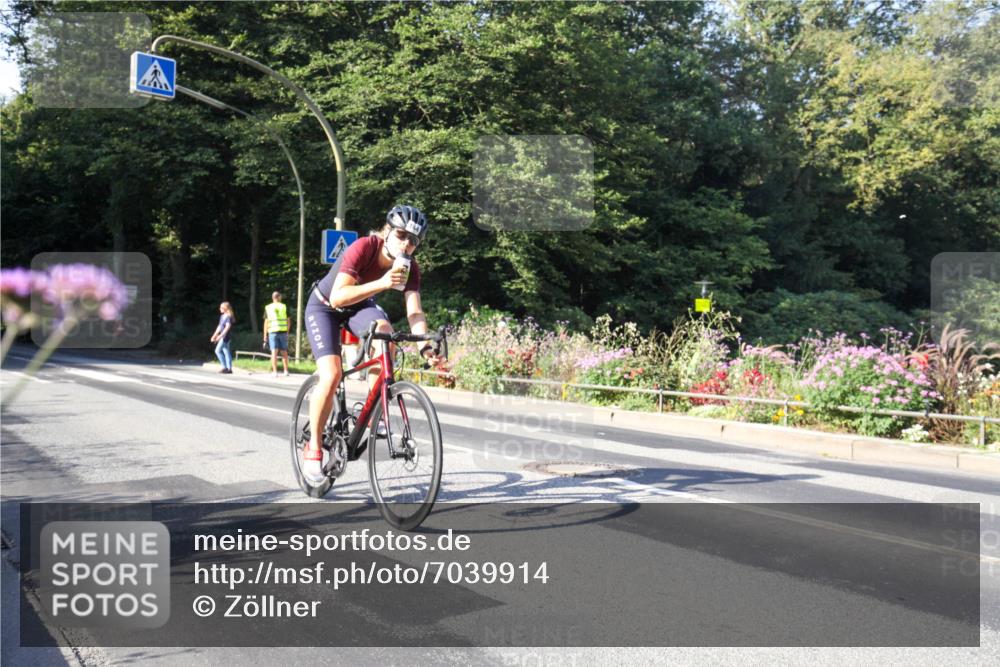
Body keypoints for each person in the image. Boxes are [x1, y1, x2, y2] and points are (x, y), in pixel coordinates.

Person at [301, 204, 444, 483]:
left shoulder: (410, 267)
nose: (406, 244)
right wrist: (382, 282)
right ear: (388, 231)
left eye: (414, 241)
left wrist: (425, 347)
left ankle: (376, 410)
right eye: (402, 235)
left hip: (359, 305)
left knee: (387, 334)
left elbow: (414, 311)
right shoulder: (364, 247)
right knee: (331, 375)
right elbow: (338, 298)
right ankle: (314, 448)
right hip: (324, 306)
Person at [263, 291, 290, 377]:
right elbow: (288, 321)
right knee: (284, 352)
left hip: (272, 332)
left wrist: (265, 335)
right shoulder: (284, 306)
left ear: (273, 298)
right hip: (283, 332)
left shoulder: (268, 307)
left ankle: (275, 372)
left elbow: (266, 322)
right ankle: (286, 371)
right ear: (279, 297)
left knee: (274, 352)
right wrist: (287, 331)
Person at [210, 302, 235, 374]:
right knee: (226, 352)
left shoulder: (228, 316)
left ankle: (224, 367)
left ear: (226, 308)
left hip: (225, 337)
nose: (220, 309)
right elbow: (219, 327)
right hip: (223, 336)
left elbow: (227, 328)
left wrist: (220, 336)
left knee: (217, 351)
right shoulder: (222, 316)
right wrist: (214, 335)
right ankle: (229, 368)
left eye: (221, 308)